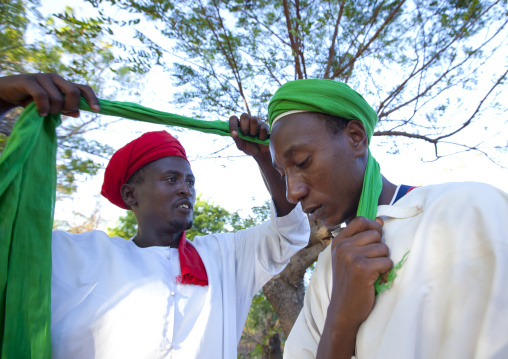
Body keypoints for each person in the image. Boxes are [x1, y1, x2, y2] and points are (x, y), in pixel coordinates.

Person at [0, 73, 311, 358]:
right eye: (171, 180)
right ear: (130, 195)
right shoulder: (73, 256)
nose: (186, 190)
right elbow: (7, 235)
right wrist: (2, 98)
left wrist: (263, 157)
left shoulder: (223, 257)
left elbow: (289, 233)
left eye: (190, 181)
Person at [260, 78, 508, 358]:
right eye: (283, 174)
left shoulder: (469, 210)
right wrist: (340, 320)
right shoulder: (329, 268)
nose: (292, 192)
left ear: (356, 137)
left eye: (303, 162)